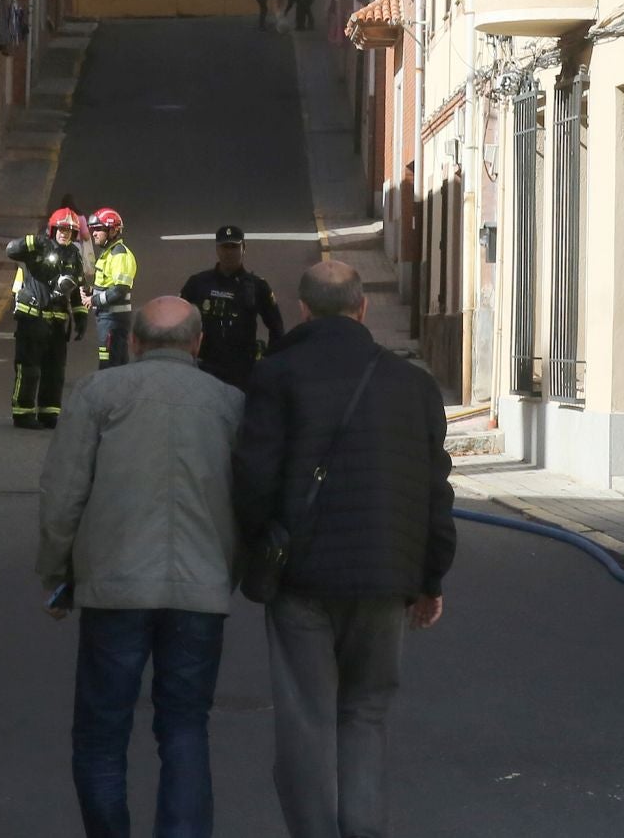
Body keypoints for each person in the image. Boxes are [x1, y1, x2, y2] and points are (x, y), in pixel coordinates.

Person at [231, 261, 456, 838]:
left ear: (303, 309)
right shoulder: (413, 385)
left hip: (302, 578)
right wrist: (430, 579)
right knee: (366, 713)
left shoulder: (276, 375)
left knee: (308, 721)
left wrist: (260, 548)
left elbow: (253, 478)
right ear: (362, 309)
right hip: (386, 578)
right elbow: (435, 490)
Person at [37, 297, 245, 838]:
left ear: (133, 342)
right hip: (200, 591)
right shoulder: (229, 404)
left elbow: (63, 495)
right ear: (197, 344)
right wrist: (232, 571)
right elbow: (250, 497)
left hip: (113, 588)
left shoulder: (97, 395)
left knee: (102, 735)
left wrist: (57, 572)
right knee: (185, 728)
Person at [7, 209, 89, 429]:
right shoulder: (38, 248)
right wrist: (33, 241)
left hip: (56, 325)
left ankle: (49, 413)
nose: (65, 234)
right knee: (30, 369)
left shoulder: (74, 255)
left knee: (55, 372)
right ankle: (22, 413)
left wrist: (81, 317)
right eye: (62, 229)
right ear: (53, 229)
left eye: (70, 231)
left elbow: (78, 290)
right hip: (33, 320)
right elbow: (11, 250)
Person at [180, 226, 285, 391]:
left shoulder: (258, 286)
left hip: (243, 370)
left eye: (234, 247)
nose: (229, 252)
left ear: (244, 248)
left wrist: (268, 362)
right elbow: (179, 322)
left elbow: (277, 328)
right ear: (217, 248)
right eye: (224, 247)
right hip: (205, 366)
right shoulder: (198, 283)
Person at [84, 208, 138, 370]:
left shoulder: (119, 255)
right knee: (111, 362)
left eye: (99, 229)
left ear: (113, 230)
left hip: (113, 321)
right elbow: (106, 285)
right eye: (93, 229)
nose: (94, 233)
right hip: (107, 320)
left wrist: (92, 300)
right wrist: (90, 290)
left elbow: (119, 290)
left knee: (110, 365)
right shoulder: (108, 253)